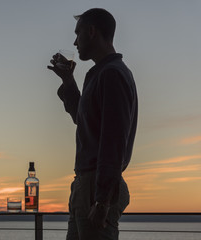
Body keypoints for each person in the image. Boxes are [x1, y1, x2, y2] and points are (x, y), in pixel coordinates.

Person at [47, 8, 138, 240]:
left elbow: (113, 141)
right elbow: (81, 117)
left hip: (95, 187)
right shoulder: (98, 74)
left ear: (92, 31)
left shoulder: (112, 74)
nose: (74, 42)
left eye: (77, 34)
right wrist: (68, 81)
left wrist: (101, 200)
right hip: (85, 187)